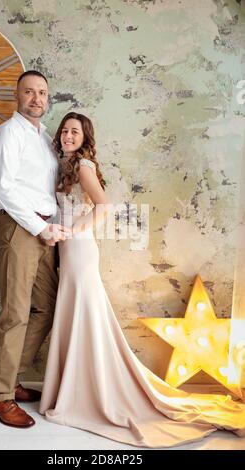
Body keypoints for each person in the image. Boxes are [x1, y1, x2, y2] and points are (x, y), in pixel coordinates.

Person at [39, 112, 245, 448]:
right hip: (70, 251)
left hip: (78, 248)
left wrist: (73, 232)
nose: (67, 135)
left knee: (83, 314)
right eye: (64, 130)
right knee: (79, 313)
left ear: (85, 136)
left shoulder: (84, 166)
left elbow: (104, 207)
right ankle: (75, 385)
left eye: (74, 131)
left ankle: (84, 390)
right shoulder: (68, 165)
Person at [0, 70, 70, 428]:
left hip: (43, 230)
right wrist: (41, 227)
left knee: (46, 308)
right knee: (16, 312)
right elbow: (2, 189)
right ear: (17, 96)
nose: (37, 99)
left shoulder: (45, 137)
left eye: (43, 93)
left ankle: (10, 378)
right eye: (29, 92)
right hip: (21, 227)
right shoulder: (8, 134)